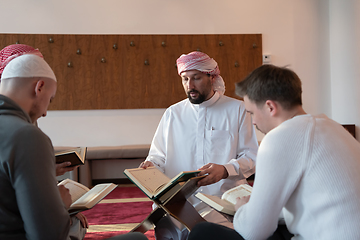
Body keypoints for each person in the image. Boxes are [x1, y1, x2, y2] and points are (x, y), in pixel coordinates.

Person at [188, 64, 360, 240]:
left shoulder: (280, 137)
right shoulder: (330, 125)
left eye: (252, 113)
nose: (253, 122)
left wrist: (242, 210)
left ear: (270, 107)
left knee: (201, 233)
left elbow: (252, 232)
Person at [0, 50, 148, 240]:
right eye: (50, 100)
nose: (45, 113)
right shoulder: (27, 136)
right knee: (136, 239)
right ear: (39, 87)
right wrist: (60, 205)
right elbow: (48, 236)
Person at [139, 51, 258, 240]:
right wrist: (151, 166)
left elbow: (251, 157)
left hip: (221, 202)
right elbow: (157, 156)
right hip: (177, 204)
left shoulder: (237, 110)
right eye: (185, 79)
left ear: (212, 77)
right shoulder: (173, 114)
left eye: (196, 78)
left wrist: (225, 170)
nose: (190, 85)